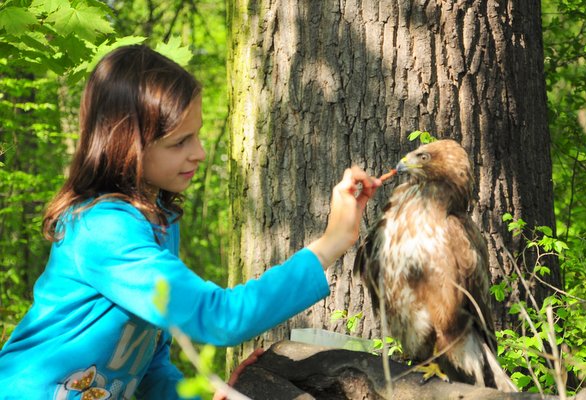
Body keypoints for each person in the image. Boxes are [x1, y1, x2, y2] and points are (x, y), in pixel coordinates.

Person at [0, 44, 381, 399]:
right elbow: (220, 317)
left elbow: (148, 364)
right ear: (127, 144)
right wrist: (330, 243)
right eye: (179, 142)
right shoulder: (102, 229)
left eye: (196, 136)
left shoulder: (158, 221)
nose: (198, 153)